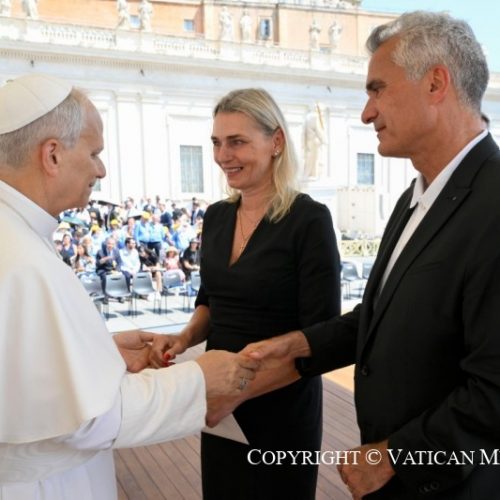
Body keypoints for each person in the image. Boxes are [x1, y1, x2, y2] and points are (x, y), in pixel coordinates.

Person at [241, 11, 500, 500]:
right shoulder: (411, 200)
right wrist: (300, 345)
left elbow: (494, 390)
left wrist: (394, 456)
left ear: (436, 83)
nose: (366, 113)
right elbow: (384, 316)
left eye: (377, 90)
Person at [0, 73, 258, 499]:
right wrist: (199, 379)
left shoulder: (17, 236)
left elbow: (32, 370)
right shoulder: (21, 259)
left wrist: (100, 352)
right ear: (52, 155)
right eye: (94, 153)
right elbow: (90, 418)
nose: (101, 169)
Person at [150, 88, 341, 500]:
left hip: (280, 404)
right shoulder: (217, 216)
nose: (223, 155)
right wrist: (183, 339)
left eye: (237, 142)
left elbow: (321, 334)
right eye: (217, 142)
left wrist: (234, 394)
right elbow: (210, 300)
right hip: (220, 402)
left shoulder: (309, 219)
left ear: (276, 142)